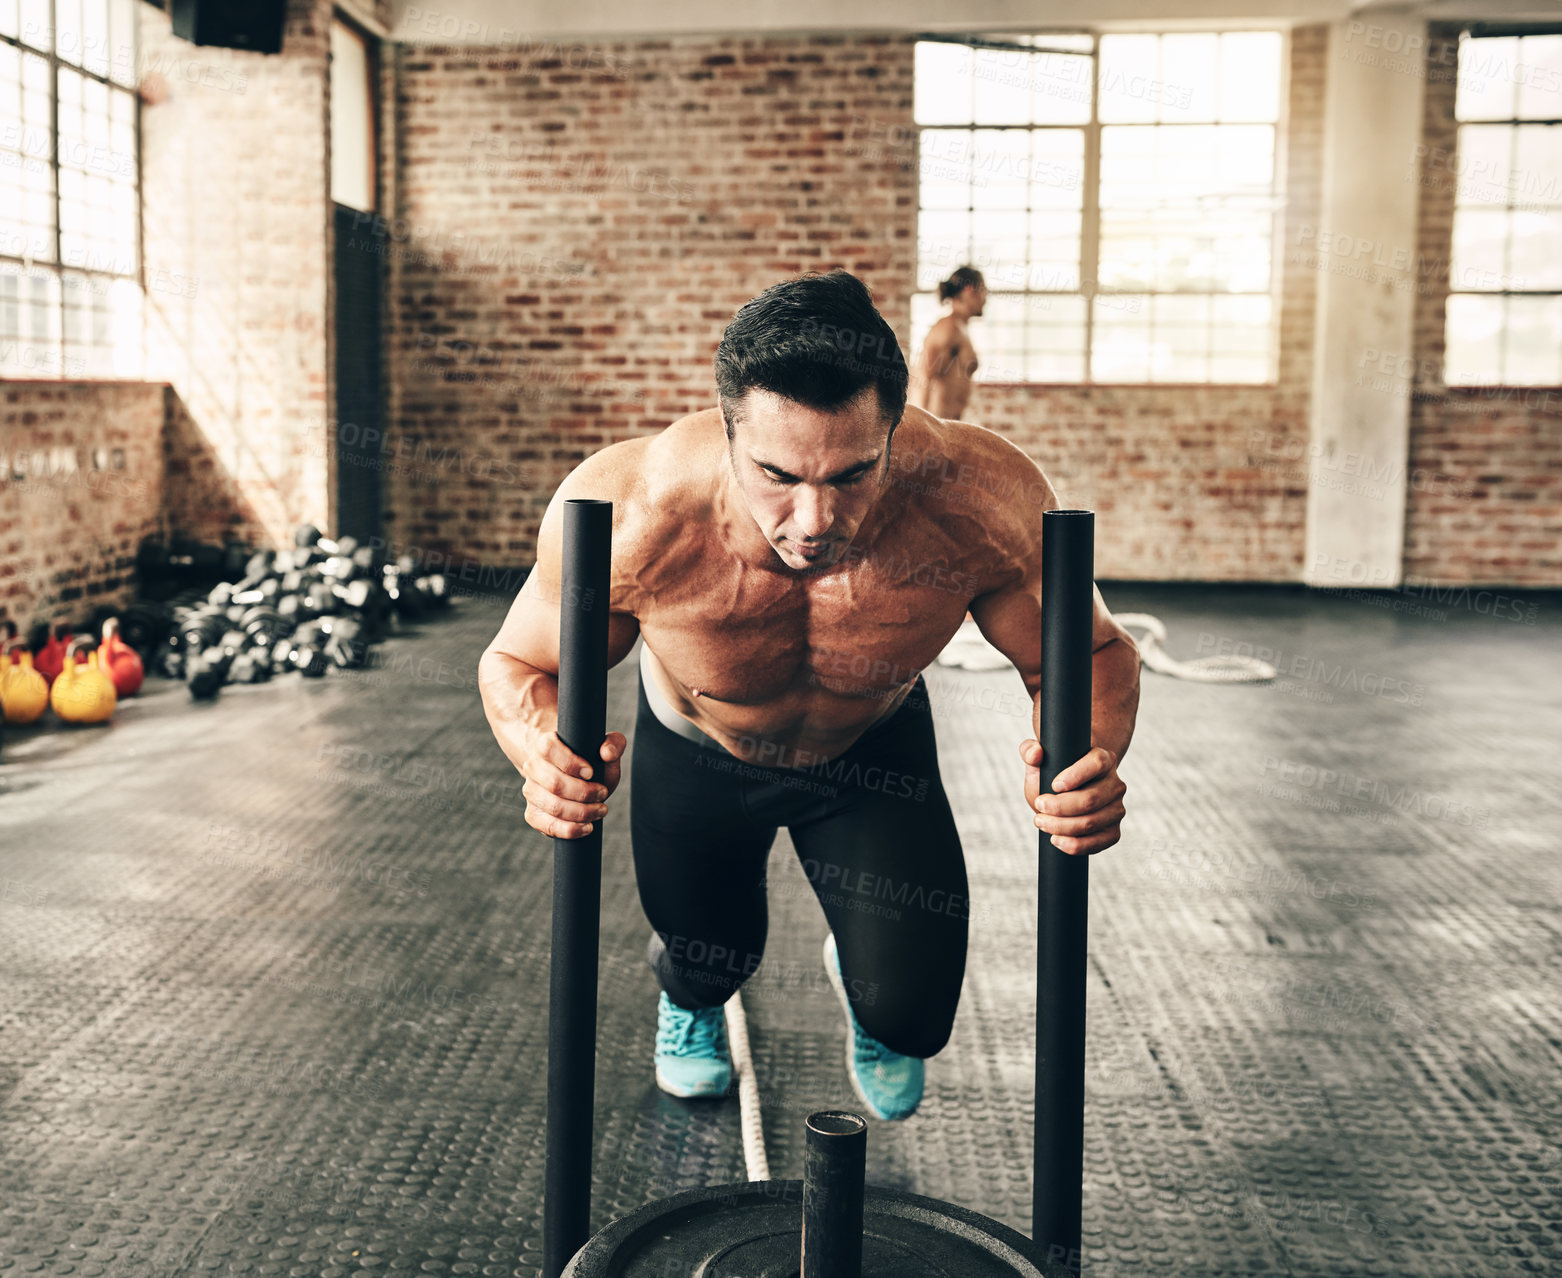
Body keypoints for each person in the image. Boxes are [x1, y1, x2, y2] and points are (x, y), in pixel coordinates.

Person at [479, 270, 1139, 1121]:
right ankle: (688, 1003)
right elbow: (518, 663)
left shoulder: (982, 500)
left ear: (894, 433)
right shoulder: (632, 514)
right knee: (708, 959)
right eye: (778, 474)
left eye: (853, 474)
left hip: (872, 751)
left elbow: (1085, 653)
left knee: (910, 1015)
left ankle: (866, 987)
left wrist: (1090, 765)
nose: (816, 516)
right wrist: (538, 749)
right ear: (727, 433)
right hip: (700, 753)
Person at [908, 266, 987, 420]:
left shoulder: (960, 328)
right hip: (936, 428)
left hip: (949, 425)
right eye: (984, 290)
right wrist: (924, 429)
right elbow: (923, 378)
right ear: (970, 290)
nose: (986, 298)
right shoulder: (948, 328)